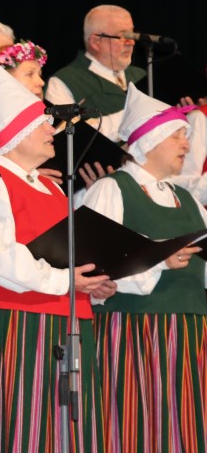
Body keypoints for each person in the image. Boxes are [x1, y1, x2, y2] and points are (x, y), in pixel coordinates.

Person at [0, 65, 111, 451]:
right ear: (13, 132)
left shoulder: (50, 187)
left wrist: (90, 283)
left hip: (56, 317)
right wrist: (64, 280)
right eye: (41, 122)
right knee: (4, 421)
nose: (52, 130)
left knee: (53, 428)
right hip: (5, 318)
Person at [83, 85, 207, 452]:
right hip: (137, 327)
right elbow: (94, 265)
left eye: (186, 136)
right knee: (137, 421)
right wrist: (159, 262)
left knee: (186, 423)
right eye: (177, 136)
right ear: (150, 142)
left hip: (191, 327)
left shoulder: (185, 197)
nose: (186, 144)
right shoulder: (112, 189)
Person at [46, 4, 145, 141]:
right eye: (122, 36)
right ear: (95, 42)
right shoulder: (63, 82)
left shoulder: (142, 75)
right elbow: (66, 140)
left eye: (132, 34)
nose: (131, 42)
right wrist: (133, 116)